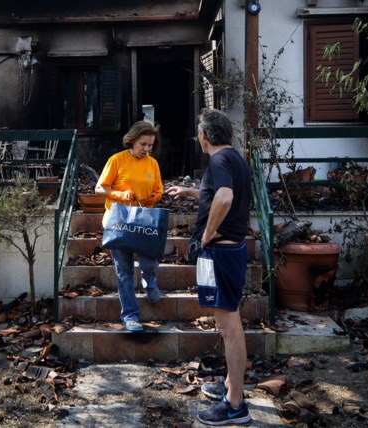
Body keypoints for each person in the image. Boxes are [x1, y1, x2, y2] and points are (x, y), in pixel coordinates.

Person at [165, 108, 252, 425]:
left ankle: (235, 405)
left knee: (229, 328)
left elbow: (226, 198)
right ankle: (233, 386)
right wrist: (190, 191)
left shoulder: (218, 161)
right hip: (227, 253)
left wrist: (206, 234)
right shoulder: (234, 159)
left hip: (219, 253)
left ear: (204, 136)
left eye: (198, 133)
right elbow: (222, 194)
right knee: (228, 324)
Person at [96, 121, 164, 332]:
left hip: (144, 220)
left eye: (150, 145)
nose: (146, 149)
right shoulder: (117, 160)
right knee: (124, 271)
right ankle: (130, 316)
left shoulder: (152, 163)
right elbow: (100, 188)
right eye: (143, 144)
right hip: (119, 223)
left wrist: (156, 195)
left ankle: (150, 283)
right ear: (131, 141)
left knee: (150, 261)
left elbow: (158, 188)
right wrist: (119, 194)